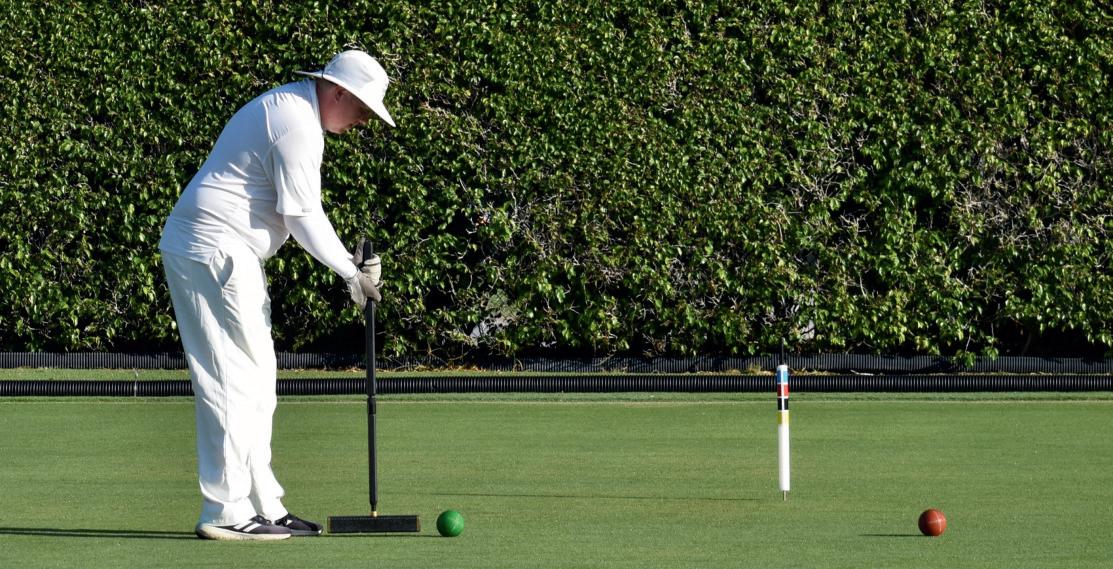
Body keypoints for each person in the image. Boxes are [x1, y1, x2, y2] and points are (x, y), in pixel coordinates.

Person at [159, 50, 394, 541]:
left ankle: (265, 504)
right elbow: (301, 216)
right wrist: (350, 273)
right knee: (230, 379)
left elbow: (304, 212)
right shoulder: (296, 123)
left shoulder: (297, 112)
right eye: (363, 109)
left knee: (259, 381)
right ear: (339, 92)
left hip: (228, 251)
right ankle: (225, 510)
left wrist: (349, 264)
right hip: (213, 248)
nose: (364, 121)